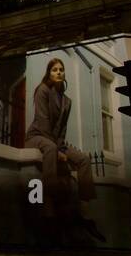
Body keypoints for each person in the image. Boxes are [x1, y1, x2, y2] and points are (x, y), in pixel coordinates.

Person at [25, 57, 106, 242]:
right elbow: (44, 123)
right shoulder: (42, 90)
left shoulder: (67, 101)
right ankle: (48, 211)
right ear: (49, 72)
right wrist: (58, 151)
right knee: (51, 148)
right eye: (54, 69)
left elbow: (62, 129)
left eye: (61, 69)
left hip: (55, 141)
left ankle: (85, 215)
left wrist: (62, 148)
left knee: (84, 158)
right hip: (37, 136)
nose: (58, 72)